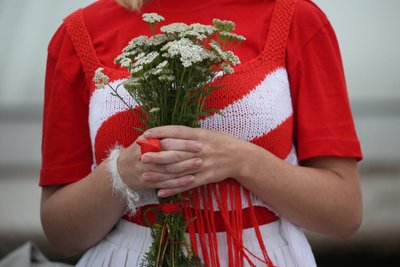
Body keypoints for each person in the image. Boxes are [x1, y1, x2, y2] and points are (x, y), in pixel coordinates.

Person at [39, 0, 363, 266]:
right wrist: (120, 173)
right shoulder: (78, 32)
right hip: (128, 255)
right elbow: (62, 234)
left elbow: (344, 214)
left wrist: (242, 161)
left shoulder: (295, 17)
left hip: (262, 254)